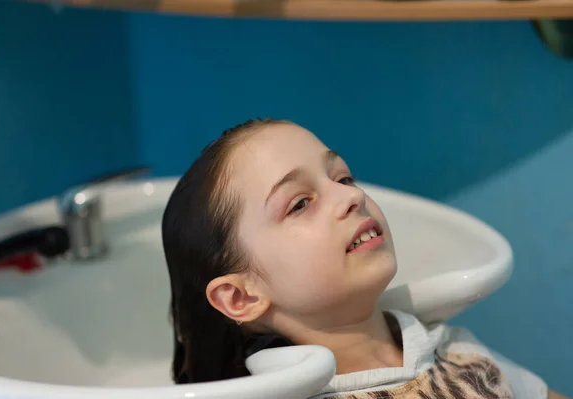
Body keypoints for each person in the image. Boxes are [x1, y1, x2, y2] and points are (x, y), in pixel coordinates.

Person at [161, 118, 568, 399]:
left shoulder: (459, 352)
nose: (351, 196)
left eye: (342, 178)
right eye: (300, 204)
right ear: (241, 297)